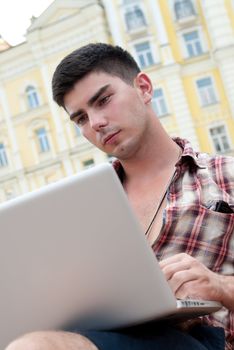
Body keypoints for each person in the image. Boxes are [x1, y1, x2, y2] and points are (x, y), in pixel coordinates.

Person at [6, 43, 234, 350]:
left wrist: (220, 286)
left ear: (143, 87)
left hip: (202, 340)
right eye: (81, 119)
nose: (96, 122)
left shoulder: (224, 175)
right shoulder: (80, 208)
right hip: (104, 337)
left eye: (103, 100)